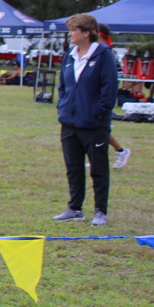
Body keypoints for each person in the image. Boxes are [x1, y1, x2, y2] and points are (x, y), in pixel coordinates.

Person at [52, 14, 118, 226]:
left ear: (87, 33)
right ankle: (74, 208)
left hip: (93, 124)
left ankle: (100, 211)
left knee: (98, 169)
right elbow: (63, 86)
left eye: (74, 30)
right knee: (73, 167)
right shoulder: (69, 55)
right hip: (69, 122)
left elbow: (109, 89)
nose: (70, 34)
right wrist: (63, 107)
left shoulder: (103, 55)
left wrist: (97, 113)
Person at [97, 23, 131, 168]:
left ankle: (121, 151)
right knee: (95, 130)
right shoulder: (97, 50)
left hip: (102, 96)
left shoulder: (106, 52)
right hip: (93, 95)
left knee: (100, 130)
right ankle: (98, 157)